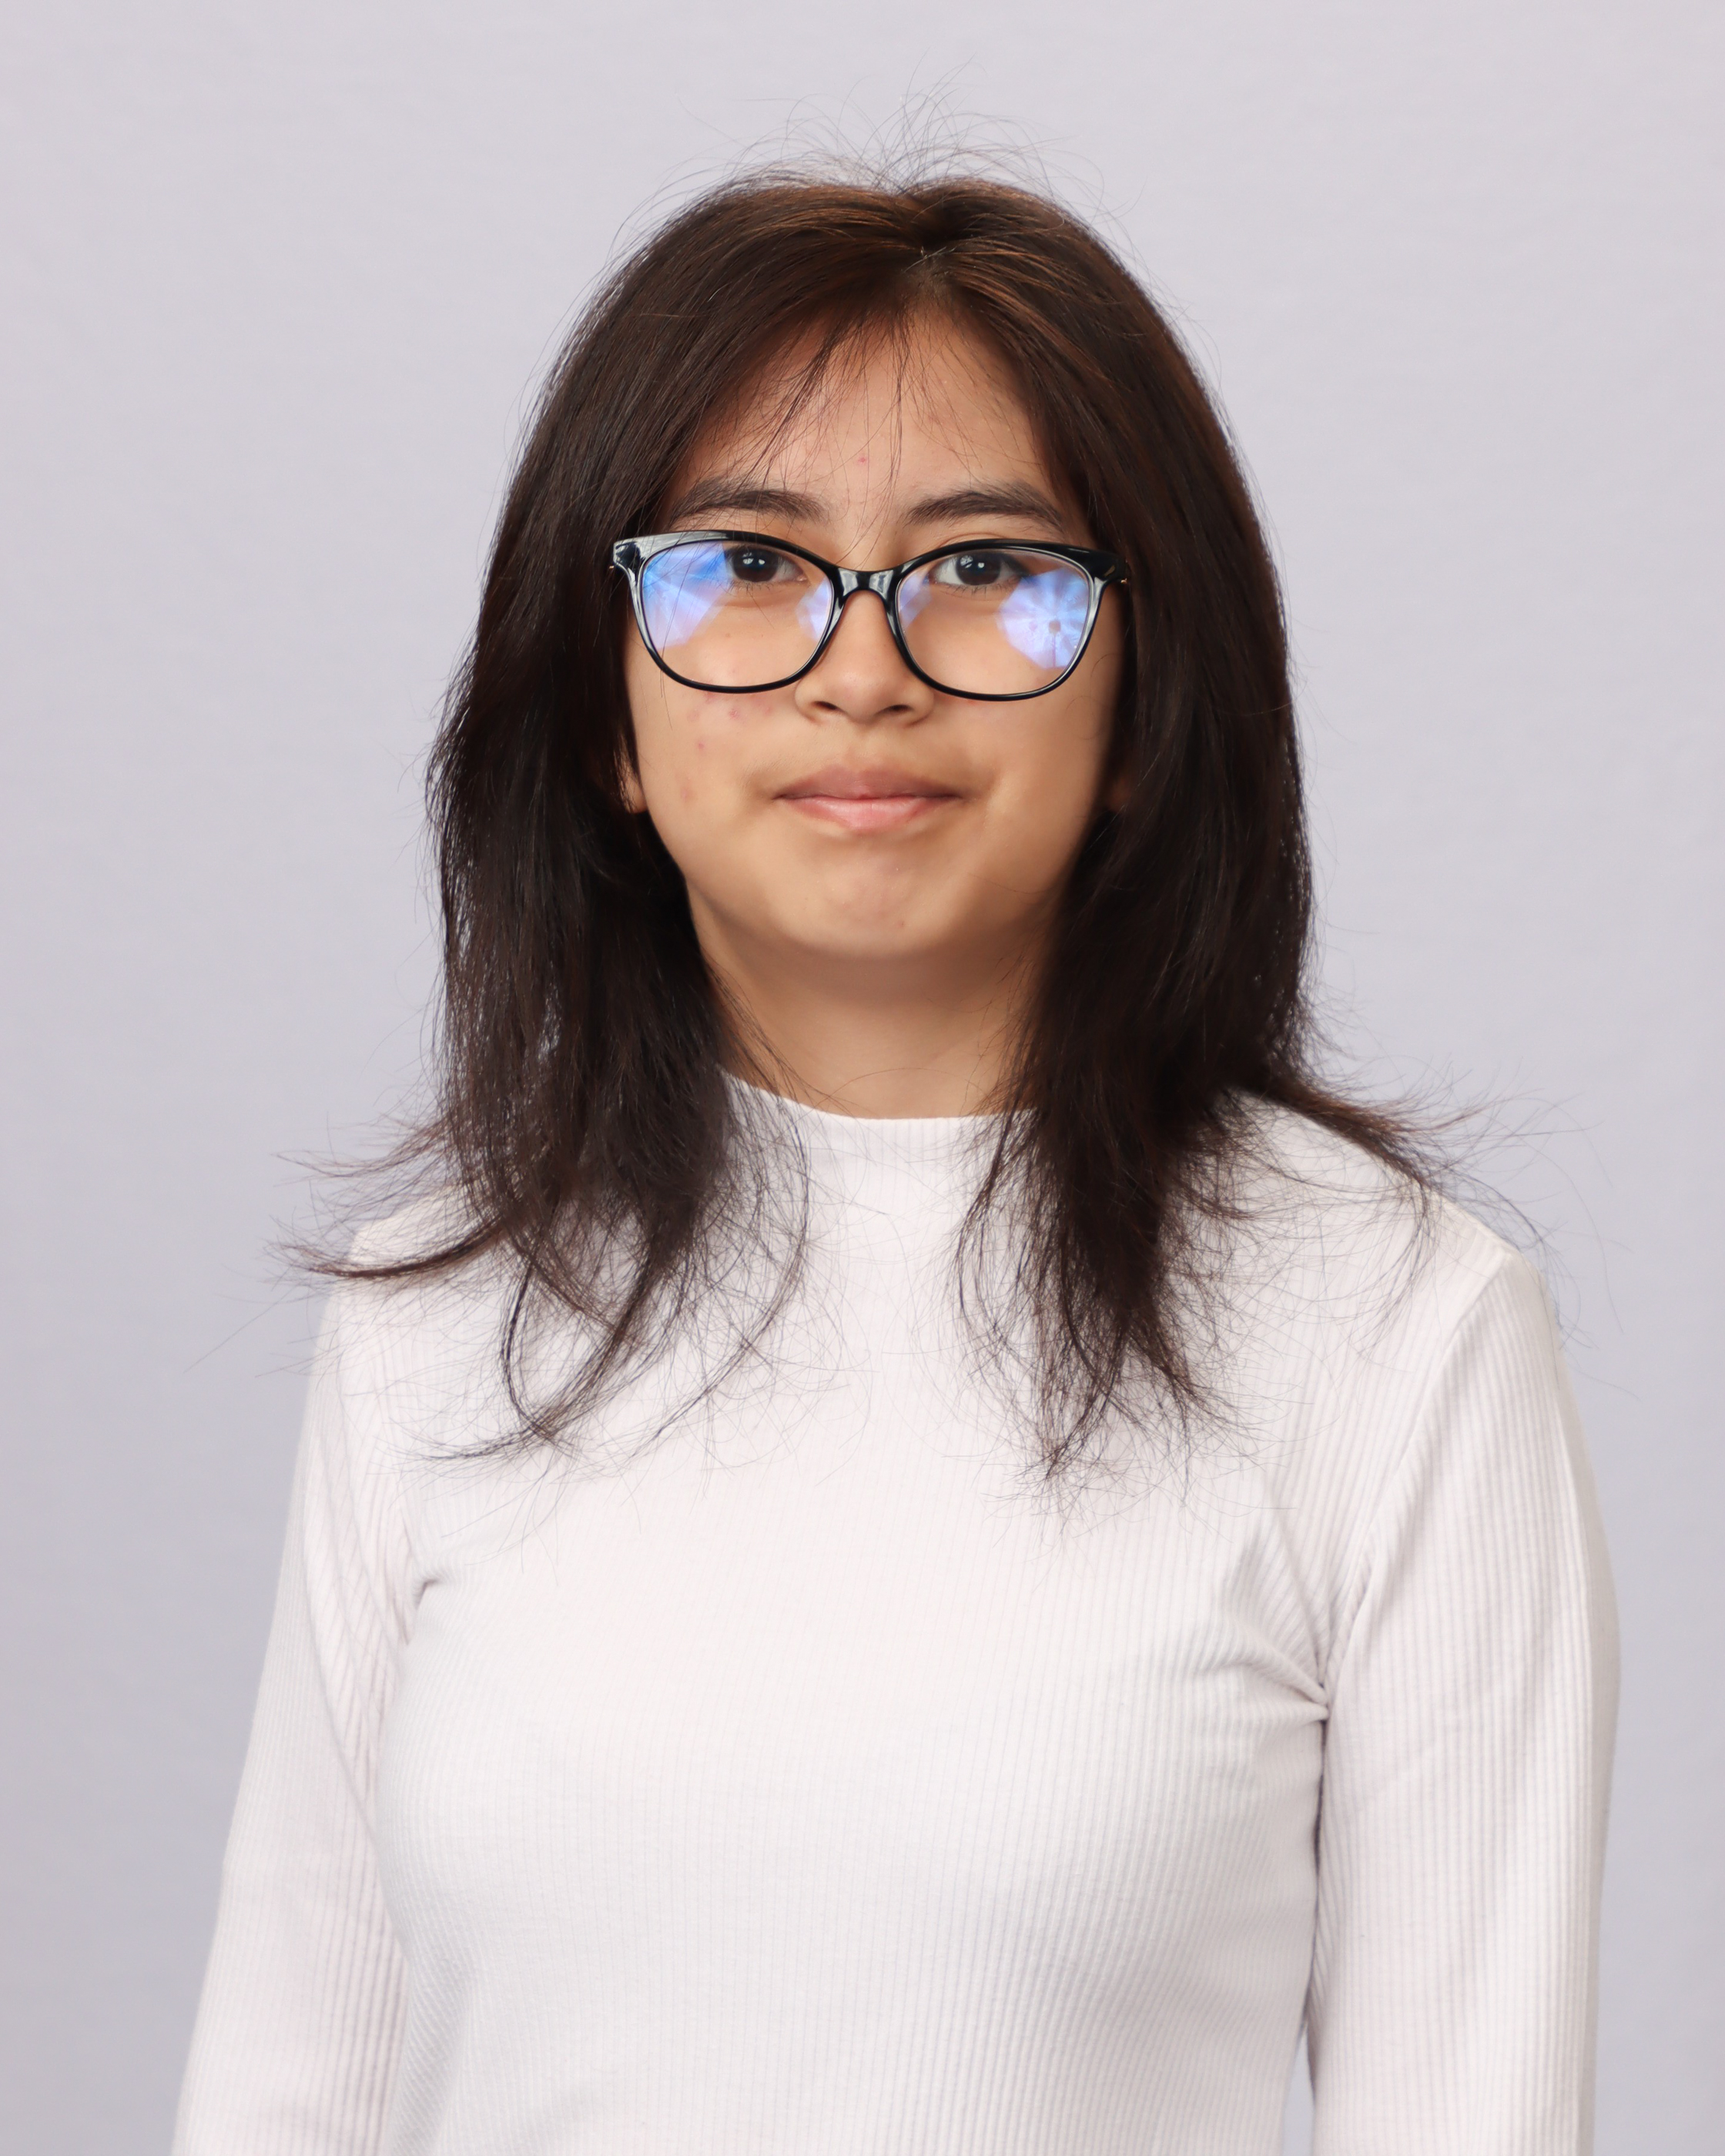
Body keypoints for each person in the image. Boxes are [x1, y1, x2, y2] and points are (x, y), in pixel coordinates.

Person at [172, 169, 1618, 2156]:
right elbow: (280, 2099)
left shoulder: (1398, 1333)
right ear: (604, 713)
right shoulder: (437, 1316)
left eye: (986, 567)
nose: (865, 669)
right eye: (749, 564)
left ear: (1144, 705)